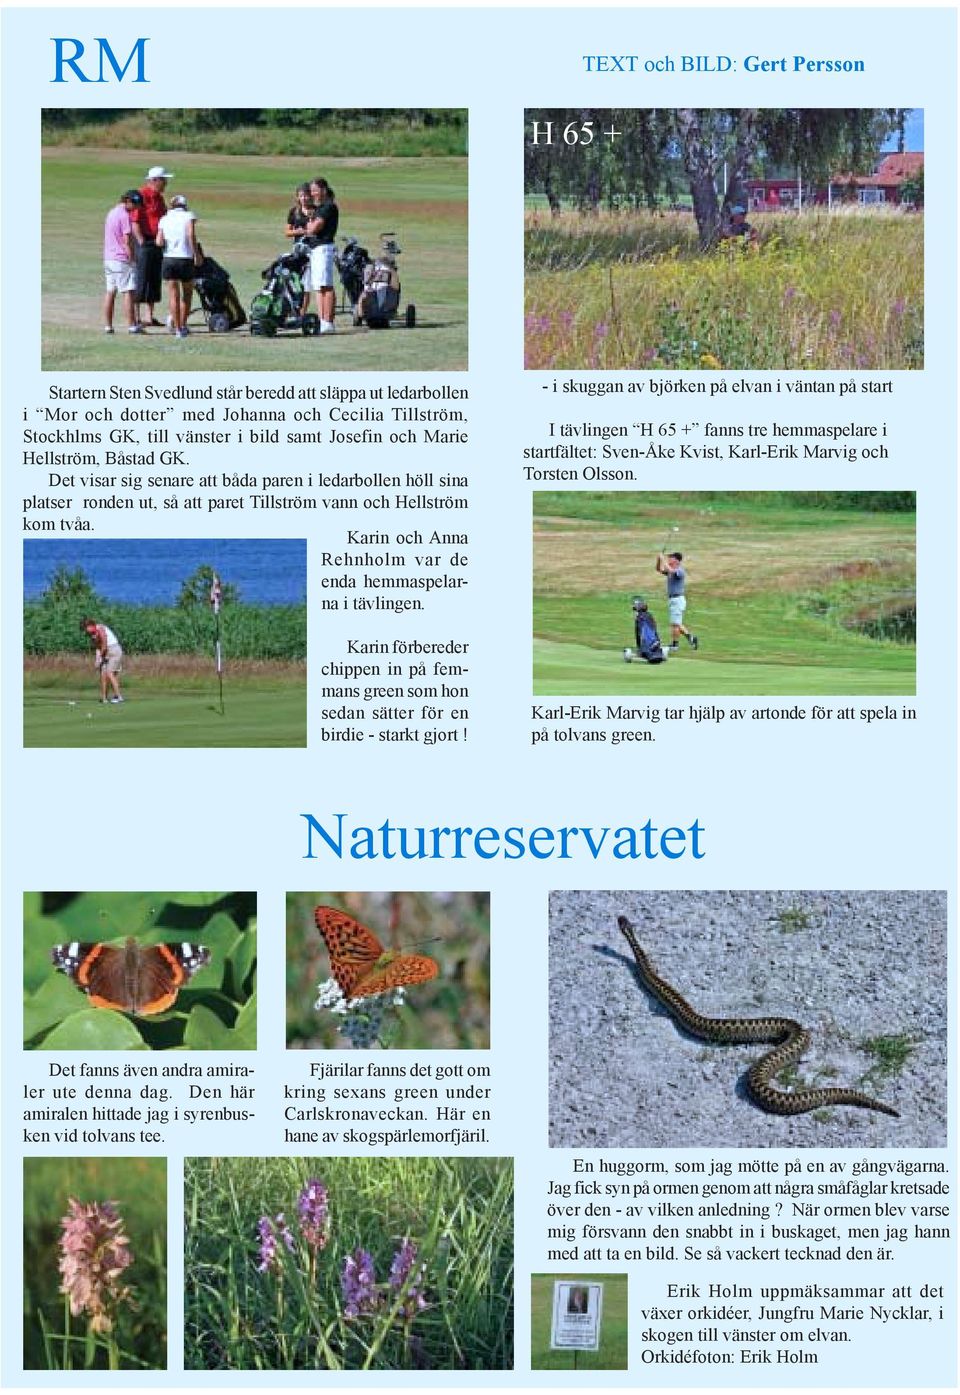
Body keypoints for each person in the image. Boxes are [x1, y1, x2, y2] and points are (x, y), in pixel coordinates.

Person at [132, 165, 173, 326]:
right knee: (140, 278)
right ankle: (135, 315)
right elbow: (135, 221)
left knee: (154, 278)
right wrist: (141, 241)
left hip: (157, 241)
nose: (166, 184)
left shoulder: (160, 198)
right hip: (144, 241)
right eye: (164, 180)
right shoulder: (141, 195)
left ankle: (149, 316)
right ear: (155, 180)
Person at [156, 193, 200, 338]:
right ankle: (183, 324)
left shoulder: (164, 219)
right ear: (185, 206)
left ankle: (177, 329)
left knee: (173, 295)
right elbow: (191, 235)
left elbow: (159, 242)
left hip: (169, 259)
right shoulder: (188, 216)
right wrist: (196, 254)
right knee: (187, 294)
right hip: (185, 258)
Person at [102, 190, 145, 335]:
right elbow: (127, 241)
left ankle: (108, 326)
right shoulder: (125, 216)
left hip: (109, 258)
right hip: (121, 259)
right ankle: (132, 325)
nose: (137, 207)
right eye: (135, 204)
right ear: (127, 201)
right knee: (128, 291)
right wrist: (132, 258)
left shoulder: (111, 212)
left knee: (110, 292)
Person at [304, 177, 339, 334]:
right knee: (319, 286)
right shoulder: (319, 208)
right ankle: (322, 320)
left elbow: (313, 228)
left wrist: (311, 225)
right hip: (316, 249)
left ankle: (328, 322)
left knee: (326, 285)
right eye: (311, 191)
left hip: (324, 248)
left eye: (315, 190)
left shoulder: (328, 207)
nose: (312, 194)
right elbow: (310, 226)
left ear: (323, 190)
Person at [655, 551, 698, 650]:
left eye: (671, 558)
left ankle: (675, 645)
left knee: (675, 624)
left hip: (677, 600)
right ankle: (691, 637)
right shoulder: (671, 570)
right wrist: (658, 560)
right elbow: (658, 569)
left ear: (676, 560)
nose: (669, 559)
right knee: (677, 623)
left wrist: (662, 559)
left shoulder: (679, 571)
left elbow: (671, 571)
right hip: (673, 600)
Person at [81, 619, 124, 703]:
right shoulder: (91, 634)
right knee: (103, 674)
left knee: (110, 673)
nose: (85, 631)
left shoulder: (100, 628)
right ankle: (104, 698)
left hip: (114, 650)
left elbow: (104, 643)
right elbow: (97, 647)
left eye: (86, 628)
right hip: (104, 652)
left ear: (91, 625)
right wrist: (97, 659)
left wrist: (100, 657)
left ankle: (118, 696)